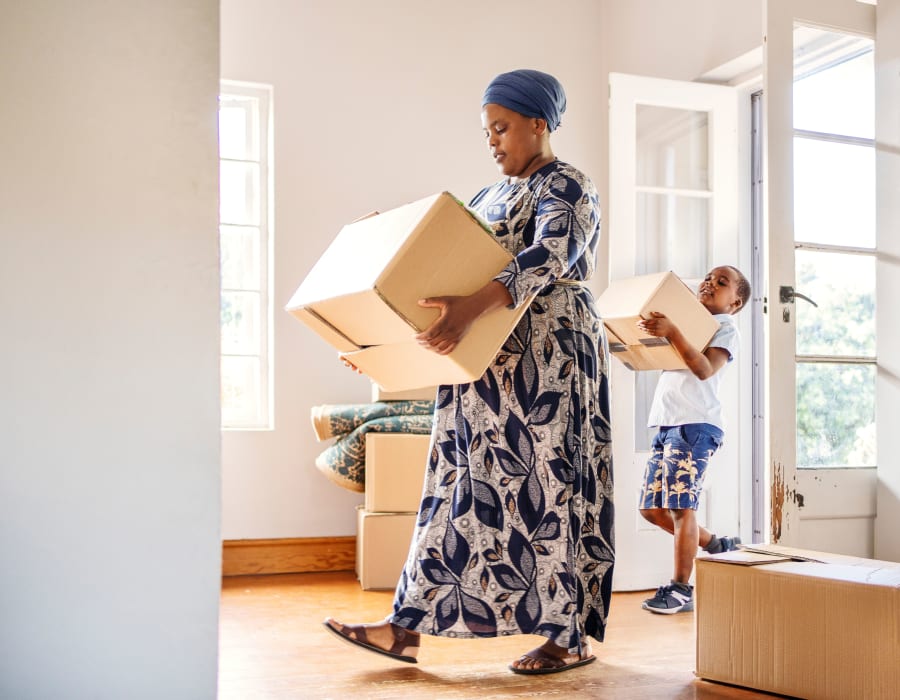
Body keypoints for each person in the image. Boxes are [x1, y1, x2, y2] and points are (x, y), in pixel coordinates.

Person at [323, 69, 614, 675]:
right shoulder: (483, 199)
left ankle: (568, 637)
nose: (493, 141)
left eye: (502, 128)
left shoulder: (568, 186)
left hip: (550, 368)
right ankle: (404, 629)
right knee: (455, 491)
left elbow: (548, 256)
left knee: (551, 490)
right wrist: (379, 345)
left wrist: (471, 309)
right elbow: (440, 278)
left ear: (541, 123)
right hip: (481, 366)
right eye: (487, 132)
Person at [636, 265, 751, 614]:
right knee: (651, 509)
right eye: (709, 278)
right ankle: (717, 543)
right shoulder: (691, 327)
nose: (710, 283)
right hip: (667, 425)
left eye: (722, 282)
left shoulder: (726, 328)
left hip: (695, 426)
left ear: (735, 302)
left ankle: (681, 589)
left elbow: (703, 369)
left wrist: (673, 333)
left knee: (681, 507)